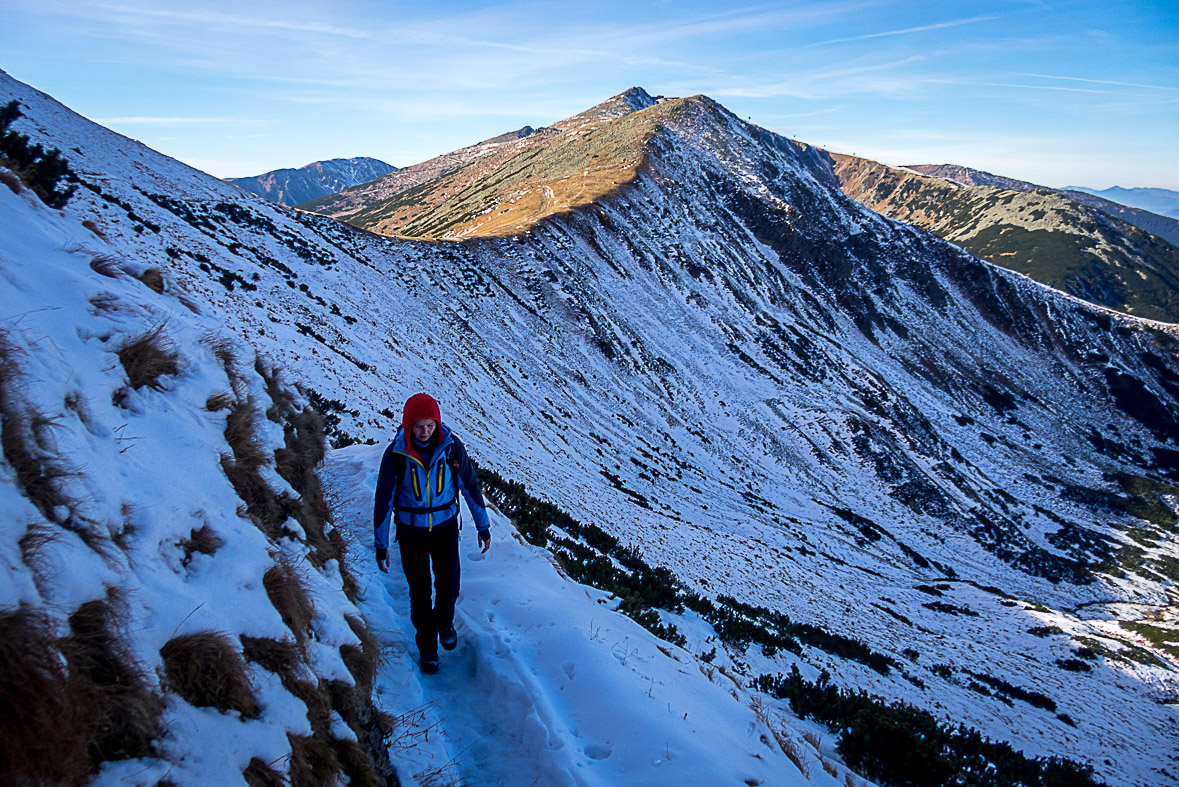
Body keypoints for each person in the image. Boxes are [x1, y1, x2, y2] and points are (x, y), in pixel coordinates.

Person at [373, 393, 491, 673]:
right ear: (408, 425)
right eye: (418, 426)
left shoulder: (451, 448)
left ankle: (445, 623)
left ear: (437, 423)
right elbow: (383, 500)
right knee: (420, 591)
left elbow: (470, 487)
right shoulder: (396, 455)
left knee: (449, 583)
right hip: (411, 532)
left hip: (446, 529)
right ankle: (427, 647)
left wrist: (483, 526)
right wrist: (381, 544)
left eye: (430, 425)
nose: (425, 432)